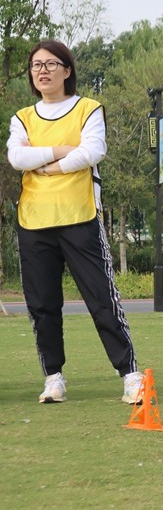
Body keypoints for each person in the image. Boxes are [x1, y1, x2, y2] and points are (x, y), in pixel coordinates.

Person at [6, 40, 143, 404]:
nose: (43, 70)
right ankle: (53, 377)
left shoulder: (88, 108)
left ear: (67, 70)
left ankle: (130, 374)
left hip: (80, 217)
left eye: (51, 64)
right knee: (42, 305)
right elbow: (17, 157)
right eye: (36, 65)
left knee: (102, 298)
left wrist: (49, 167)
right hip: (34, 220)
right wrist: (62, 151)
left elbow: (93, 151)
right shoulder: (23, 117)